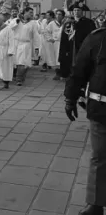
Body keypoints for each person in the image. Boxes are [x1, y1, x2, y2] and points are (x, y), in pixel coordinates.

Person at [64, 21, 106, 215]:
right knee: (99, 156)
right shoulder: (98, 38)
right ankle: (96, 204)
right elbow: (79, 70)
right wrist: (70, 98)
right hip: (102, 109)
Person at [59, 3, 97, 81]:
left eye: (78, 10)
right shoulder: (68, 23)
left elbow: (92, 36)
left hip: (83, 47)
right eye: (75, 10)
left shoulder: (88, 23)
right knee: (69, 62)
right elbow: (64, 38)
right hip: (70, 48)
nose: (76, 12)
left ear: (82, 11)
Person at [10, 6, 40, 86]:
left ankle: (20, 77)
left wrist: (37, 47)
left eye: (32, 13)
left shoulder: (33, 23)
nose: (31, 14)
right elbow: (10, 28)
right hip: (16, 43)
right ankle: (18, 78)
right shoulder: (16, 21)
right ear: (25, 12)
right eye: (30, 12)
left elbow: (36, 36)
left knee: (24, 63)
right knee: (18, 62)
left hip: (26, 45)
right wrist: (16, 21)